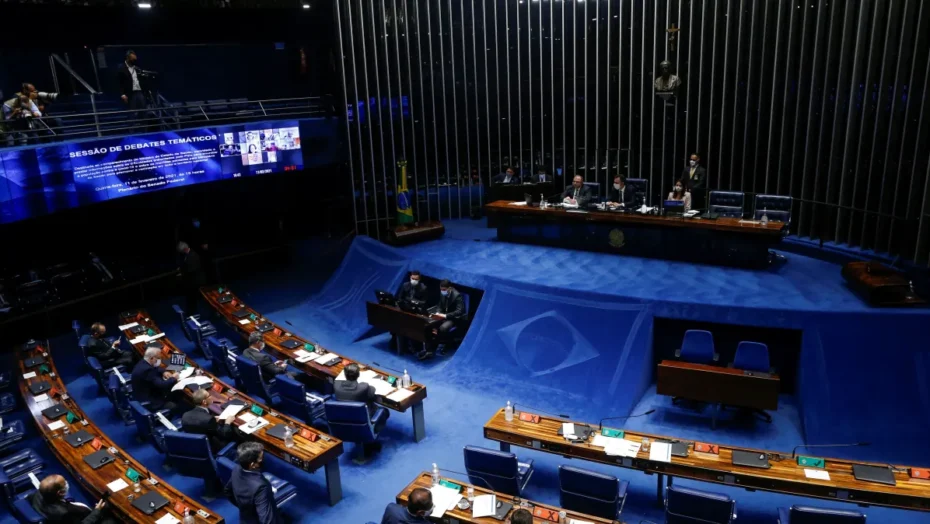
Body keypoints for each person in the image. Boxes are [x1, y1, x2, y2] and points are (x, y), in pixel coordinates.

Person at [224, 442, 280, 524]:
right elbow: (267, 520)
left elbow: (227, 491)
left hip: (245, 518)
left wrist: (243, 507)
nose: (262, 459)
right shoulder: (260, 487)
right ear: (252, 464)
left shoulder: (236, 469)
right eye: (260, 458)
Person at [29, 474, 109, 524]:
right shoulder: (64, 513)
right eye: (64, 483)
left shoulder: (37, 494)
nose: (66, 483)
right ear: (60, 493)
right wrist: (97, 511)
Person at [418, 279, 466, 360]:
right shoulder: (442, 293)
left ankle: (433, 350)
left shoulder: (457, 296)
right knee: (428, 326)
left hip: (453, 318)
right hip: (442, 316)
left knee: (442, 328)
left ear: (449, 288)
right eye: (441, 289)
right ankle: (428, 349)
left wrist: (446, 315)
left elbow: (460, 311)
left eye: (444, 290)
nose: (442, 291)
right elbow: (440, 305)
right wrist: (438, 313)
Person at [181, 389, 238, 453]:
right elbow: (225, 434)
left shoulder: (185, 415)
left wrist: (212, 420)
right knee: (236, 435)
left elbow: (199, 421)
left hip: (194, 445)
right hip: (210, 448)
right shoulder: (208, 420)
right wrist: (228, 422)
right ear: (204, 402)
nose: (211, 396)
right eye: (209, 395)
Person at [131, 346, 179, 412]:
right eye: (158, 358)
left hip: (139, 393)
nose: (159, 360)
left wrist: (164, 371)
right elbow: (162, 385)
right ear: (152, 358)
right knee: (173, 405)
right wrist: (173, 378)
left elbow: (155, 368)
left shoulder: (143, 362)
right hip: (149, 400)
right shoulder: (148, 370)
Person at [395, 270, 428, 354]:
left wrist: (414, 302)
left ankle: (416, 348)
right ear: (410, 277)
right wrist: (406, 302)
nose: (413, 280)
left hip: (416, 312)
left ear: (419, 279)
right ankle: (401, 347)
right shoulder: (405, 285)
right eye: (412, 278)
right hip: (404, 310)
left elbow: (424, 302)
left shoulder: (423, 288)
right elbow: (400, 298)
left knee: (414, 329)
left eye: (415, 279)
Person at [177, 241, 205, 316]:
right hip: (191, 281)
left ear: (185, 249)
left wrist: (182, 273)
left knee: (192, 299)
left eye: (182, 251)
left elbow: (192, 270)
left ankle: (192, 313)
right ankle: (191, 312)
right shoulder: (188, 255)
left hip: (195, 281)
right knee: (190, 299)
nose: (182, 253)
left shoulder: (193, 255)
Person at [117, 50, 146, 121]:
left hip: (139, 91)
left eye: (135, 59)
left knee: (143, 110)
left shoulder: (137, 68)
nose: (134, 61)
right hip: (130, 92)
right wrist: (122, 94)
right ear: (128, 58)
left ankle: (143, 128)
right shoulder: (121, 68)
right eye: (133, 59)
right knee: (131, 112)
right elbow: (119, 82)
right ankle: (131, 129)